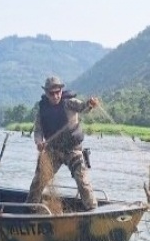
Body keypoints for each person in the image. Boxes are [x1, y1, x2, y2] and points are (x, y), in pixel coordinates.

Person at [25, 76, 100, 211]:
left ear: (61, 90)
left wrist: (90, 104)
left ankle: (92, 209)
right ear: (46, 93)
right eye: (51, 93)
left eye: (57, 92)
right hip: (53, 151)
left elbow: (84, 107)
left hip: (72, 149)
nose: (55, 96)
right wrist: (38, 142)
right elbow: (38, 130)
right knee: (38, 182)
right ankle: (29, 209)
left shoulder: (69, 103)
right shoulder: (42, 109)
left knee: (82, 181)